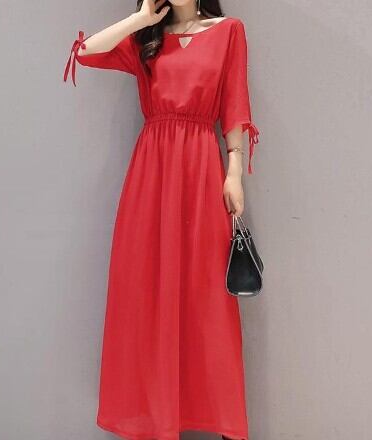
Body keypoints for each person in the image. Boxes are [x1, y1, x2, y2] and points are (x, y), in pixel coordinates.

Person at [63, 0, 260, 438]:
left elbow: (234, 102)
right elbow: (86, 52)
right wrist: (140, 19)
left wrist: (234, 171)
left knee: (206, 295)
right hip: (151, 172)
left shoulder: (229, 31)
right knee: (147, 291)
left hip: (201, 170)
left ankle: (218, 417)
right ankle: (157, 419)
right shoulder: (146, 39)